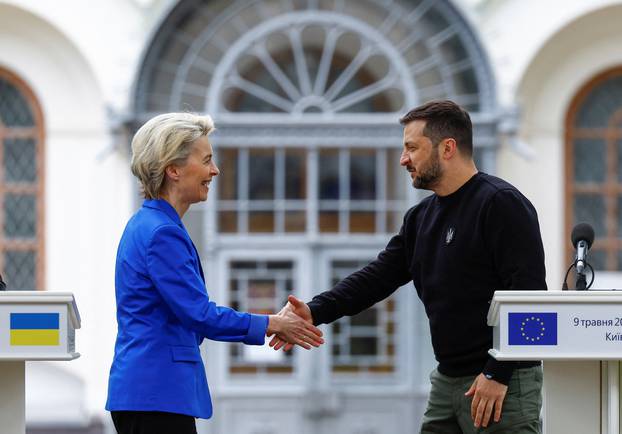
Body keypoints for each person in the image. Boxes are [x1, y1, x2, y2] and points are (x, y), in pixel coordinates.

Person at [271, 100, 546, 433]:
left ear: (447, 148)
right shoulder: (420, 218)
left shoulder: (500, 203)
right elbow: (377, 277)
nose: (403, 159)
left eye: (412, 148)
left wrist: (496, 373)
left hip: (502, 382)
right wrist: (314, 311)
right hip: (448, 379)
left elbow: (529, 296)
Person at [105, 113, 323, 434]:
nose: (215, 170)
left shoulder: (149, 225)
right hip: (156, 394)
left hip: (150, 394)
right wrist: (272, 323)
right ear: (173, 170)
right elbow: (199, 315)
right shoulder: (162, 233)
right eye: (206, 160)